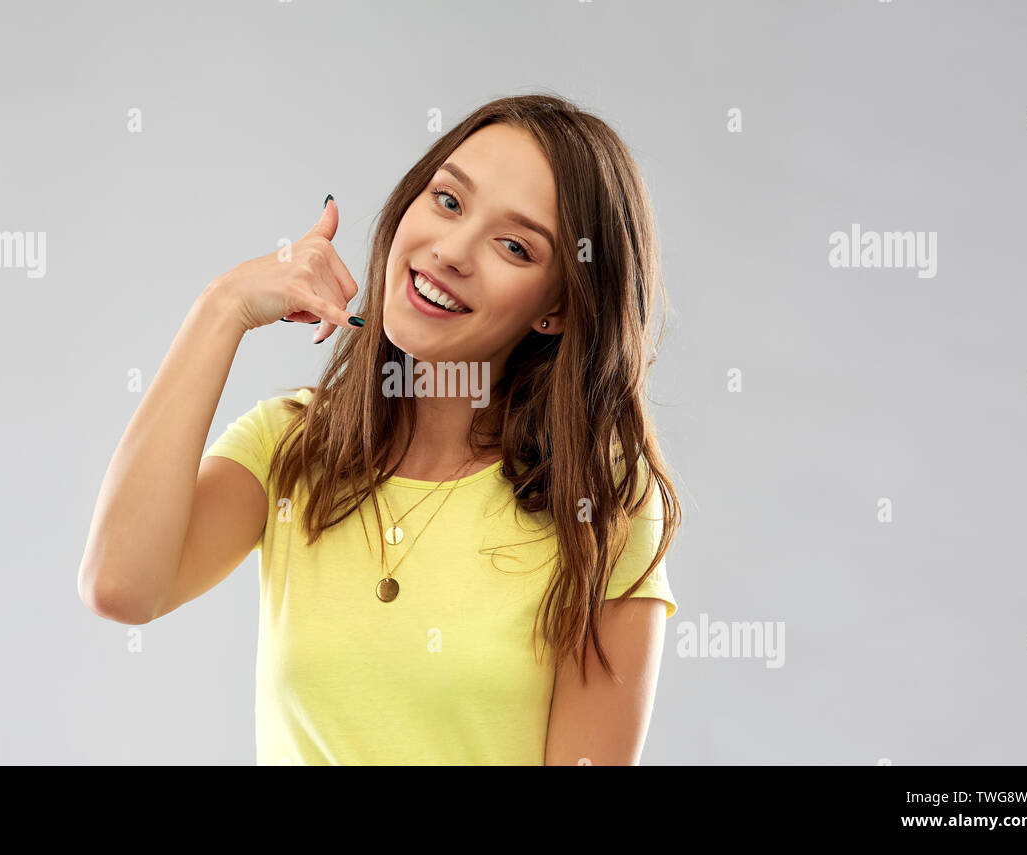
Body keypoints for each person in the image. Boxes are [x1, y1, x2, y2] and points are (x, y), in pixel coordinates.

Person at [77, 93, 683, 765]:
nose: (451, 250)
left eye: (513, 245)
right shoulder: (292, 447)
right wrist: (222, 307)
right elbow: (120, 583)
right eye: (448, 201)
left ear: (557, 309)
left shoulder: (602, 499)